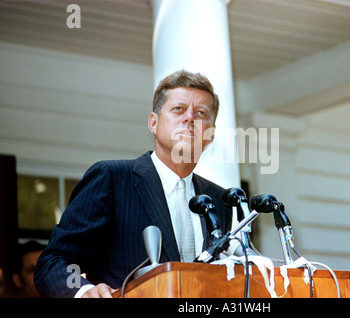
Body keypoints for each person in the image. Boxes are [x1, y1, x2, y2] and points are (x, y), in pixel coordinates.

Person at [34, 70, 233, 298]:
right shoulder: (110, 178)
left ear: (211, 135)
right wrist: (83, 291)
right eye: (178, 109)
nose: (190, 118)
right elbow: (53, 262)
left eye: (201, 113)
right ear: (153, 123)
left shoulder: (219, 199)